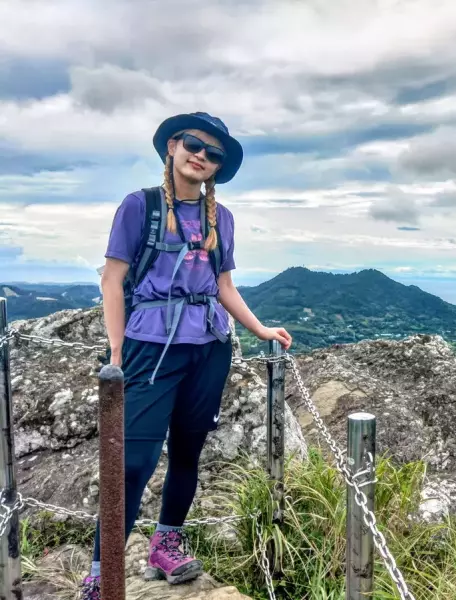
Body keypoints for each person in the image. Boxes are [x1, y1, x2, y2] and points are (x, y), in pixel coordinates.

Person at [82, 112, 292, 599]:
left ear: (218, 167)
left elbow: (223, 285)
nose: (201, 156)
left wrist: (259, 328)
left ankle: (165, 543)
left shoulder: (222, 219)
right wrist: (117, 350)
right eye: (195, 145)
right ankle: (101, 571)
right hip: (150, 348)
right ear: (173, 146)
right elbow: (112, 279)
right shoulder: (141, 206)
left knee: (187, 452)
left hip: (209, 347)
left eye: (213, 153)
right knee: (132, 462)